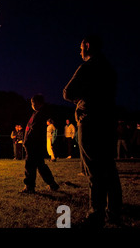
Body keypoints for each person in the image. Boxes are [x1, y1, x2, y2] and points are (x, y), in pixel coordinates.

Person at [63, 35, 122, 227]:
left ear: (88, 46)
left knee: (94, 170)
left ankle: (95, 213)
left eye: (81, 47)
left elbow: (68, 92)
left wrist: (82, 102)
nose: (79, 51)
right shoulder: (110, 69)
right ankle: (114, 212)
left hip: (90, 122)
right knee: (109, 168)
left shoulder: (87, 68)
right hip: (108, 121)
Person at [20, 95, 60, 194]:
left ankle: (29, 187)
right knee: (41, 166)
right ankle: (52, 184)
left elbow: (33, 131)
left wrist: (27, 142)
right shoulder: (37, 113)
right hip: (35, 145)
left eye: (33, 103)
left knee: (30, 165)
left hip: (34, 145)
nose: (32, 105)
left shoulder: (40, 114)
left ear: (38, 103)